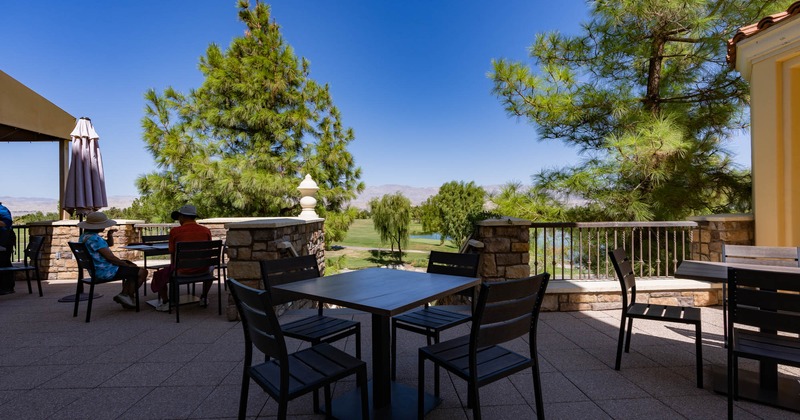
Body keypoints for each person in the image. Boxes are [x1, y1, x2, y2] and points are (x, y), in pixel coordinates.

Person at [78, 211, 147, 308]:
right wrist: (124, 265)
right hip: (105, 271)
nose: (105, 227)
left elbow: (108, 244)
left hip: (96, 269)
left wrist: (109, 235)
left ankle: (126, 295)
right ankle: (126, 295)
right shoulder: (95, 239)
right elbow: (110, 258)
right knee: (143, 272)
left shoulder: (85, 237)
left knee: (133, 268)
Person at [151, 204, 213, 312]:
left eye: (179, 217)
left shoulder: (175, 231)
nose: (178, 220)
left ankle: (166, 302)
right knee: (211, 270)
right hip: (203, 270)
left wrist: (173, 267)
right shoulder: (206, 231)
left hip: (182, 271)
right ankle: (203, 297)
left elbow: (172, 252)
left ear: (183, 217)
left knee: (158, 275)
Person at [0, 202, 15, 294]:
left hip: (5, 242)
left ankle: (6, 288)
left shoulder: (2, 209)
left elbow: (7, 223)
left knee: (3, 263)